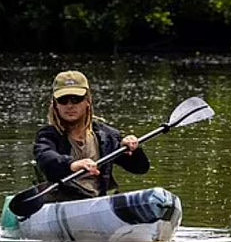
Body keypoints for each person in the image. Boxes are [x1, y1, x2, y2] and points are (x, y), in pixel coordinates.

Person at [33, 71, 150, 202]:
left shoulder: (107, 136)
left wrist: (133, 149)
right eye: (63, 100)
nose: (70, 105)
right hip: (63, 200)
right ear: (55, 105)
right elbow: (45, 158)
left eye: (76, 99)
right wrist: (72, 165)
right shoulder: (48, 135)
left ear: (87, 101)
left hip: (99, 202)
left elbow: (140, 168)